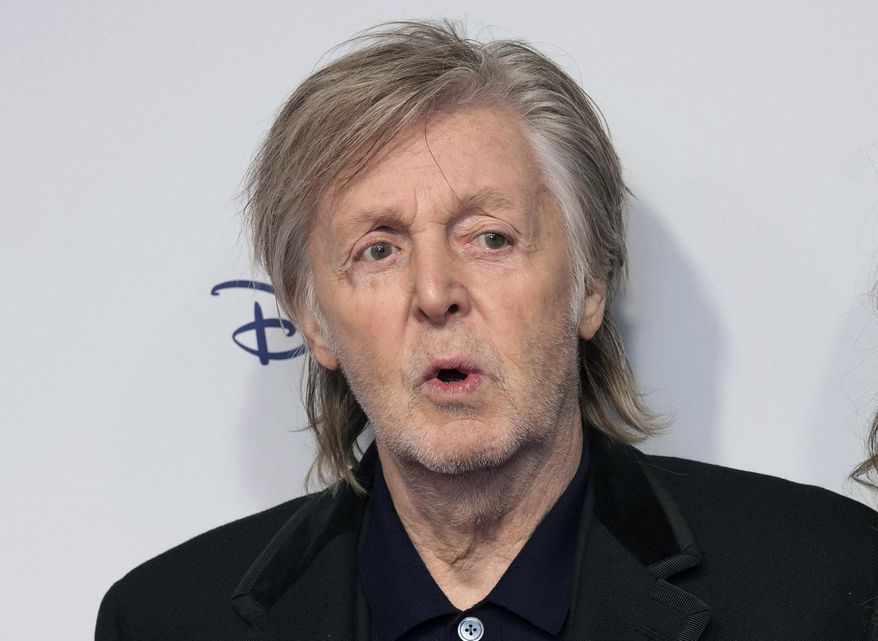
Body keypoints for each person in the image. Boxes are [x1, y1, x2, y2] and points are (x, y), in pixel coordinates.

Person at [96, 21, 878, 640]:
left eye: (489, 237)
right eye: (379, 249)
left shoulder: (825, 585)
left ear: (589, 286)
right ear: (315, 320)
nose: (436, 292)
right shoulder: (162, 620)